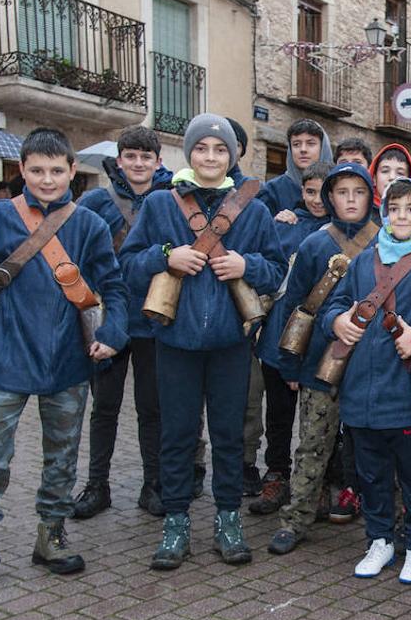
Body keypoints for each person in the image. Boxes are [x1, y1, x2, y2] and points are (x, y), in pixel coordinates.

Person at [0, 127, 128, 598]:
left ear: (72, 171)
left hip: (69, 359)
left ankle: (52, 532)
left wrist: (112, 330)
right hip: (5, 356)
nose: (47, 179)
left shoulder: (88, 225)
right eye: (37, 170)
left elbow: (113, 286)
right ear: (21, 170)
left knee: (63, 453)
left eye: (56, 170)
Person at [119, 114, 286, 570]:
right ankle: (176, 524)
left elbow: (275, 270)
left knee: (230, 436)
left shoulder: (253, 208)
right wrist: (167, 256)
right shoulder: (159, 205)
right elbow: (129, 265)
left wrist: (245, 266)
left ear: (232, 155)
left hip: (231, 343)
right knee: (176, 435)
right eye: (201, 148)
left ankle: (227, 521)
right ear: (188, 153)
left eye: (219, 149)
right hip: (174, 341)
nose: (210, 157)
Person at [321, 177, 411, 583]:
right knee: (370, 475)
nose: (402, 216)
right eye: (395, 208)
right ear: (383, 212)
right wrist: (338, 319)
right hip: (360, 394)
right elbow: (333, 304)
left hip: (407, 394)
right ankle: (380, 539)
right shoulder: (362, 262)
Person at [257, 162, 379, 554]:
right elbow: (296, 308)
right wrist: (290, 365)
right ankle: (296, 519)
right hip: (317, 364)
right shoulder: (313, 245)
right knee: (313, 443)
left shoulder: (385, 242)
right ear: (329, 197)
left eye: (358, 192)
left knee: (374, 447)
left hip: (372, 364)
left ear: (370, 196)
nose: (350, 200)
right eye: (342, 192)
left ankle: (385, 524)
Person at [72, 126, 173, 519]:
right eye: (130, 156)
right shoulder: (97, 200)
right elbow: (75, 250)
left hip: (151, 318)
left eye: (146, 157)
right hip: (109, 318)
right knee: (105, 408)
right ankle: (98, 485)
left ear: (158, 162)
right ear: (118, 160)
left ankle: (154, 484)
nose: (138, 163)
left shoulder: (168, 201)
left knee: (152, 408)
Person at [250, 160, 333, 514]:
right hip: (278, 336)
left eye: (321, 192)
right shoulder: (284, 225)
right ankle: (278, 474)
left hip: (323, 338)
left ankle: (321, 481)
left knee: (322, 418)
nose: (315, 200)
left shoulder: (341, 232)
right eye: (309, 191)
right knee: (279, 416)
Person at [259, 118, 333, 219]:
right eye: (296, 144)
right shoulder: (272, 190)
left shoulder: (337, 185)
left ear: (323, 147)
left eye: (310, 144)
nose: (303, 150)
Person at [369, 143, 411, 207]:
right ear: (374, 179)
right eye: (385, 171)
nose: (392, 177)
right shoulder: (361, 211)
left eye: (400, 173)